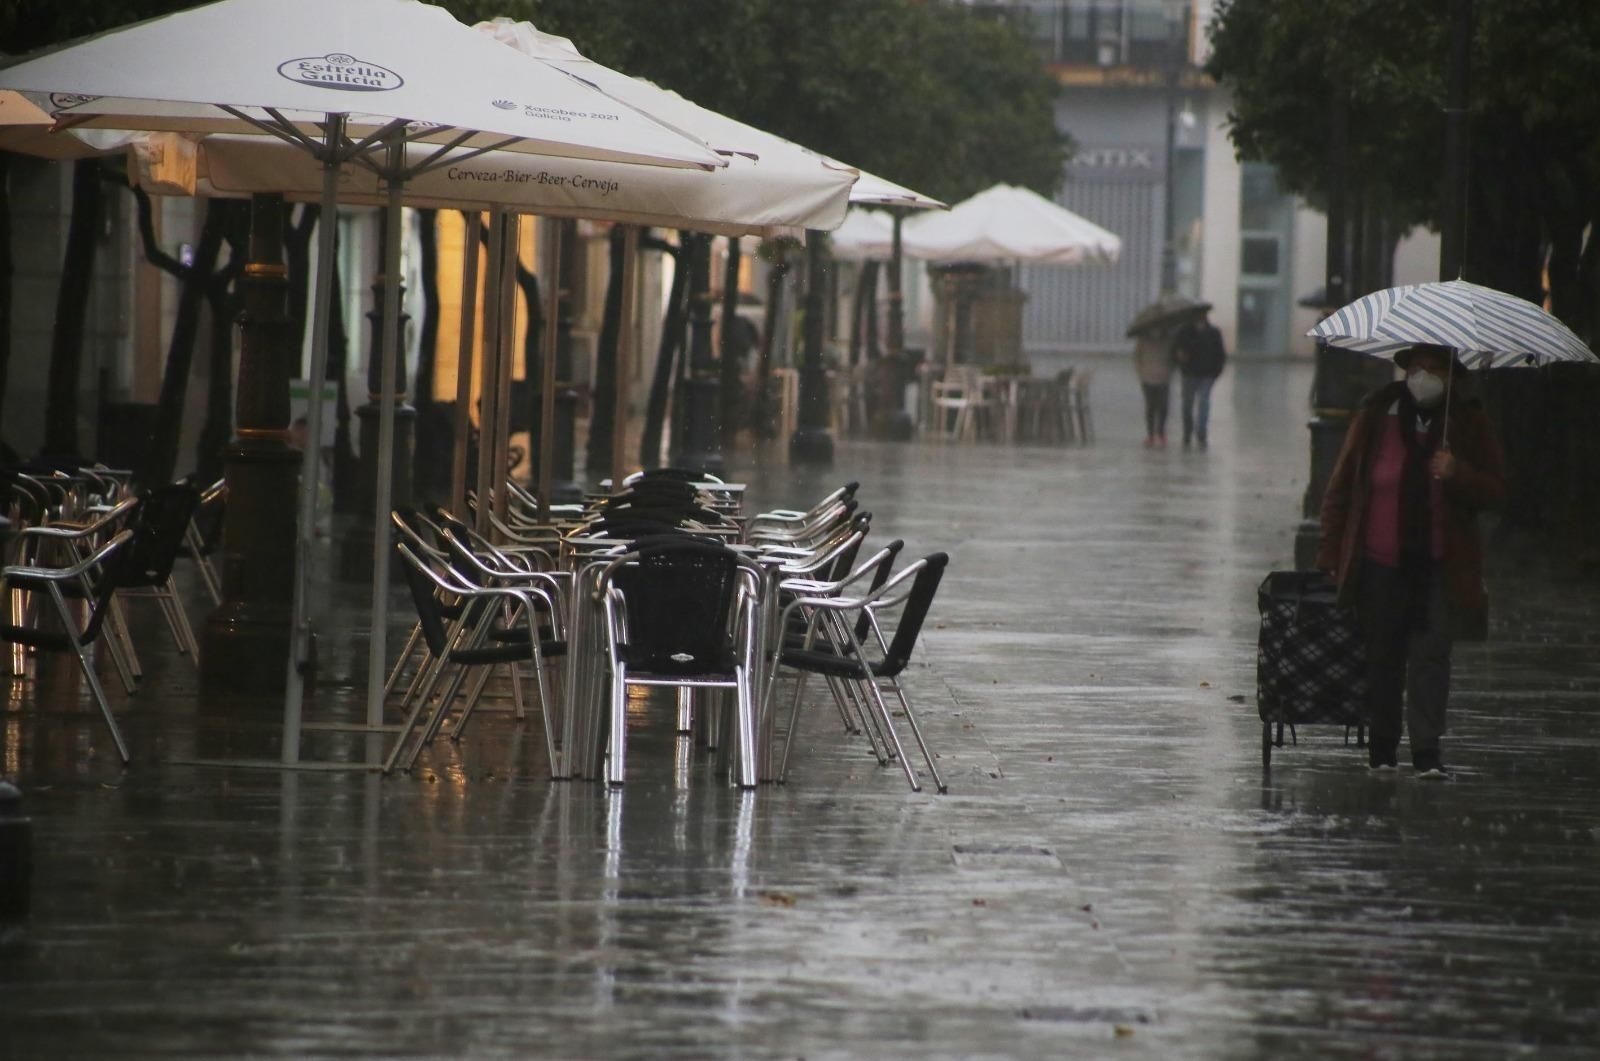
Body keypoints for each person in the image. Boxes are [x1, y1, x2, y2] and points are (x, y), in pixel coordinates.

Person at [1316, 343, 1506, 777]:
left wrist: (1459, 474)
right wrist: (1330, 551)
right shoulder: (1375, 417)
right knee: (1382, 658)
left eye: (1433, 369)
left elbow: (1496, 491)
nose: (1422, 376)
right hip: (1379, 563)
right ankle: (1382, 749)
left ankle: (1426, 751)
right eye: (1415, 368)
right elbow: (1343, 486)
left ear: (1452, 376)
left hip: (1438, 566)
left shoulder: (1468, 422)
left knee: (1431, 656)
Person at [1174, 309, 1227, 449]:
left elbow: (1220, 353)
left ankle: (1202, 433)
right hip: (1189, 374)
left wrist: (1217, 372)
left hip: (1207, 375)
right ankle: (1187, 432)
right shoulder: (1184, 332)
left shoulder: (1214, 332)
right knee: (1187, 405)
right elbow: (1177, 351)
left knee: (1204, 403)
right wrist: (1181, 364)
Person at [1132, 326, 1176, 448]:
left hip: (1163, 378)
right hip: (1147, 378)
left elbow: (1173, 358)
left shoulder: (1169, 340)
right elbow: (1137, 357)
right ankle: (1151, 434)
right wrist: (1140, 372)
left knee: (1163, 407)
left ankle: (1160, 433)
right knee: (1151, 407)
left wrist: (1170, 371)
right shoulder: (1143, 340)